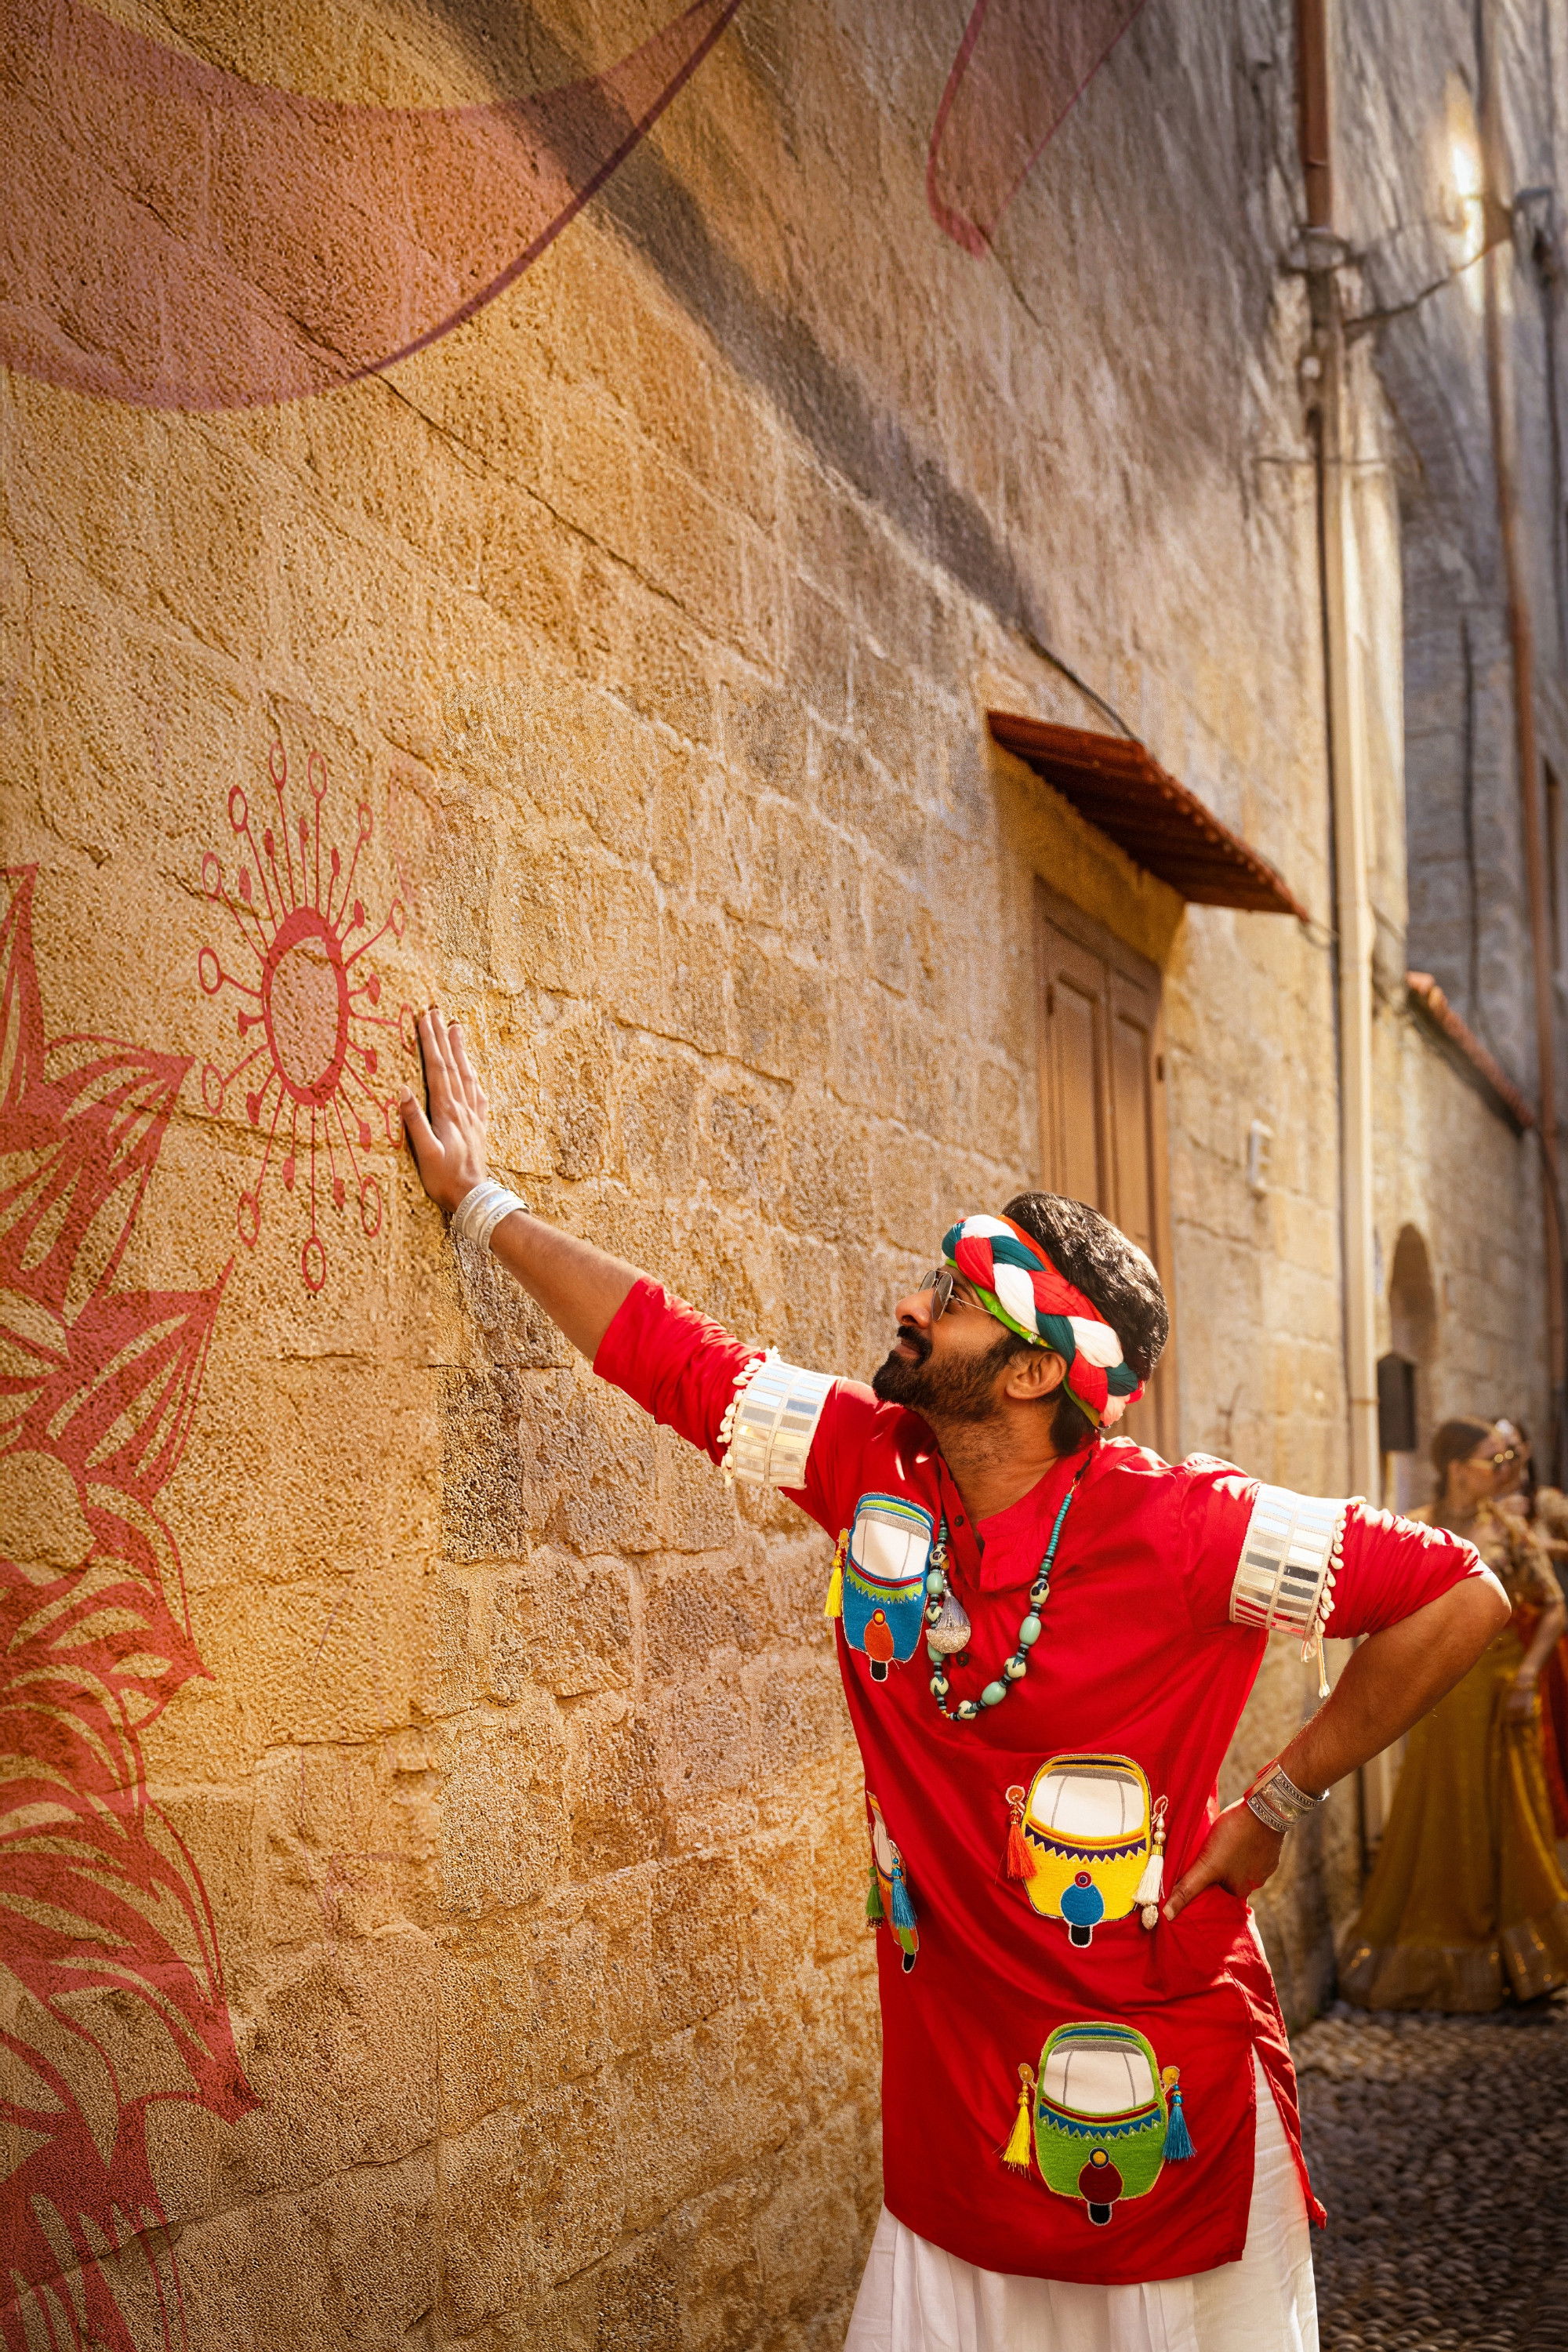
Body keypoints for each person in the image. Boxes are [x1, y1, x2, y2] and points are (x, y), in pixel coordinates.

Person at [401, 1011, 1507, 2352]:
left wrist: (1282, 1798)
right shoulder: (873, 1466)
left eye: (955, 1296)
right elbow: (678, 1361)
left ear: (1038, 1371)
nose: (912, 1307)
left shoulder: (1190, 1531)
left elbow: (1462, 1592)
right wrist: (483, 1205)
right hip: (956, 2114)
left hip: (1156, 2106)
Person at [1340, 1417, 1568, 2012]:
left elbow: (1554, 1606)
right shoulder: (1418, 1531)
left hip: (1501, 1698)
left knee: (1512, 1820)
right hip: (1439, 1700)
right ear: (1458, 1468)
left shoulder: (1510, 1531)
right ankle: (1445, 1956)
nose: (1507, 1471)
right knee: (1441, 1814)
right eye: (1496, 1460)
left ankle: (1524, 1964)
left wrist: (1527, 1676)